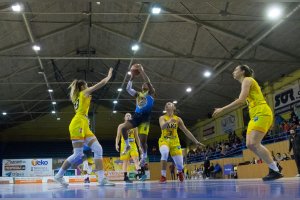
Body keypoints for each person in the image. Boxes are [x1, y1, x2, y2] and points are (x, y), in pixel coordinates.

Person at [212, 65, 283, 181]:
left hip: (262, 112)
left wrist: (222, 109)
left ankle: (275, 169)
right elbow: (242, 98)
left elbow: (240, 100)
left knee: (254, 143)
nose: (233, 72)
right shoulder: (246, 83)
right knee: (250, 144)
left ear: (243, 71)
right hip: (254, 116)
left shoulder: (247, 80)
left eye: (236, 69)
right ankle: (274, 167)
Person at [54, 68, 115, 187]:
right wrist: (108, 76)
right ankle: (59, 175)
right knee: (77, 154)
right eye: (86, 85)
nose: (88, 87)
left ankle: (101, 179)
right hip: (78, 123)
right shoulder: (83, 93)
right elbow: (101, 84)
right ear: (82, 87)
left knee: (98, 149)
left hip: (84, 124)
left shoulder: (79, 95)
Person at [158, 102, 204, 183]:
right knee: (165, 153)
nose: (169, 104)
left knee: (180, 164)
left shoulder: (178, 119)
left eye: (170, 103)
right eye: (167, 104)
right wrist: (168, 121)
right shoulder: (162, 117)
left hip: (175, 141)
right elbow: (162, 127)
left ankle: (180, 172)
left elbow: (186, 131)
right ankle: (163, 176)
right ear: (165, 108)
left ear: (173, 108)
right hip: (164, 140)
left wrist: (196, 141)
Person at [120, 64, 155, 167]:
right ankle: (127, 146)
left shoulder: (152, 93)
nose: (144, 84)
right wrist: (132, 77)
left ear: (149, 87)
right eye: (143, 84)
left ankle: (144, 155)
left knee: (143, 141)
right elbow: (127, 89)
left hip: (145, 118)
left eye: (146, 84)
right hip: (136, 116)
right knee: (123, 128)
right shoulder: (138, 94)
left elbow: (148, 81)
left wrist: (141, 71)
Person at [115, 113, 146, 183]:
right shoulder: (121, 126)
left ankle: (139, 174)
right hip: (124, 145)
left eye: (129, 116)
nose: (128, 116)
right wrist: (116, 144)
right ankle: (125, 177)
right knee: (125, 161)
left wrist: (139, 146)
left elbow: (137, 137)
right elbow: (118, 136)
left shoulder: (134, 127)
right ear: (124, 118)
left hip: (133, 145)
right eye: (127, 115)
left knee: (136, 158)